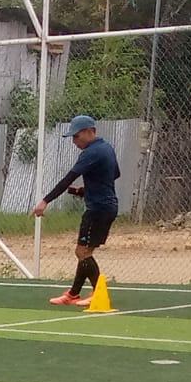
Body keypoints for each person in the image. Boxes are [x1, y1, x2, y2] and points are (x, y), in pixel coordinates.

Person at [33, 114, 122, 307]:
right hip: (107, 206)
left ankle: (99, 293)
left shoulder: (91, 153)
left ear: (90, 132)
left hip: (98, 209)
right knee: (84, 252)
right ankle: (73, 294)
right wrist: (86, 190)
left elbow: (68, 178)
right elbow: (114, 174)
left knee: (82, 252)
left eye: (76, 136)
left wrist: (45, 201)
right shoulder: (107, 148)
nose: (74, 141)